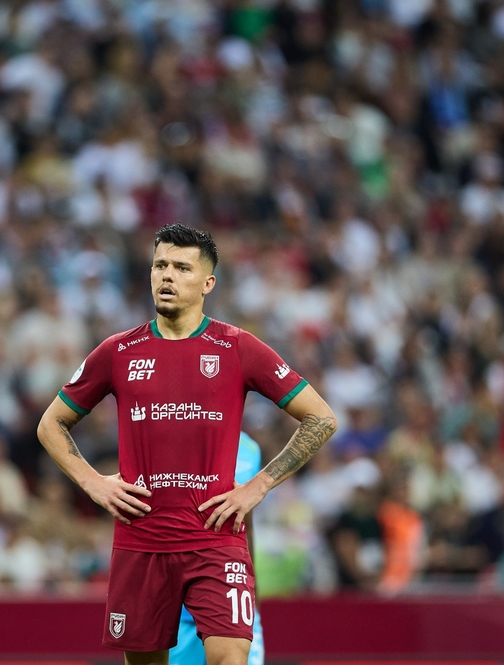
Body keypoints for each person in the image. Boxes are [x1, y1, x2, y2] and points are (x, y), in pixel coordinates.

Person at [37, 224, 337, 665]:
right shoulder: (119, 351)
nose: (167, 275)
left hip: (215, 539)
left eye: (181, 268)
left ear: (207, 283)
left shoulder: (237, 347)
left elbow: (321, 418)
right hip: (141, 540)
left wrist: (258, 486)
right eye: (160, 265)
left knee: (229, 659)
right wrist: (93, 483)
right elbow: (51, 424)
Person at [170, 432, 265, 665]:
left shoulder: (249, 449)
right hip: (177, 609)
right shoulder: (168, 432)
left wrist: (253, 592)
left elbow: (245, 522)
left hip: (231, 591)